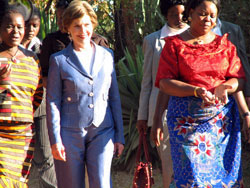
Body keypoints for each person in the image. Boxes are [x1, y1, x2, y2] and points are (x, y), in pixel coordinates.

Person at [155, 0, 245, 186]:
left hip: (222, 122)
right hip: (186, 122)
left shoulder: (225, 45)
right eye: (203, 13)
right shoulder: (174, 45)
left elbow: (239, 79)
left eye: (213, 16)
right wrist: (195, 90)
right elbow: (164, 83)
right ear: (190, 13)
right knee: (191, 177)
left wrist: (224, 87)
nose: (208, 19)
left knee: (224, 178)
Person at [46, 1, 124, 188]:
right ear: (68, 29)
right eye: (77, 26)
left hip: (103, 131)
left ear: (93, 25)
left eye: (87, 24)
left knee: (102, 184)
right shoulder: (58, 60)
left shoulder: (107, 55)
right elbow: (53, 102)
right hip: (69, 133)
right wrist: (56, 140)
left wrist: (119, 135)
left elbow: (113, 96)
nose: (83, 31)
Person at [136, 0, 189, 187]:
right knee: (169, 165)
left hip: (193, 110)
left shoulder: (197, 37)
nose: (180, 18)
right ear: (165, 15)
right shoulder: (152, 41)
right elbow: (147, 82)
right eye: (174, 14)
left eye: (183, 13)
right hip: (163, 114)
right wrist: (143, 116)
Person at [0, 2, 43, 187]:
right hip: (1, 132)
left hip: (24, 133)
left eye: (19, 27)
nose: (15, 31)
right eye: (9, 26)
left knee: (19, 180)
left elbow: (38, 94)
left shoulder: (32, 59)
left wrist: (22, 113)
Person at [20, 4, 58, 188]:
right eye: (27, 25)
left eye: (35, 26)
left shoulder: (44, 48)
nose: (30, 30)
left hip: (41, 108)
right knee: (18, 155)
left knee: (45, 155)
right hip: (17, 110)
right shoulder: (7, 49)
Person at [40, 0, 109, 80]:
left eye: (62, 18)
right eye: (58, 18)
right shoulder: (51, 40)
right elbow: (44, 75)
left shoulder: (99, 42)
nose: (59, 22)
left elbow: (107, 76)